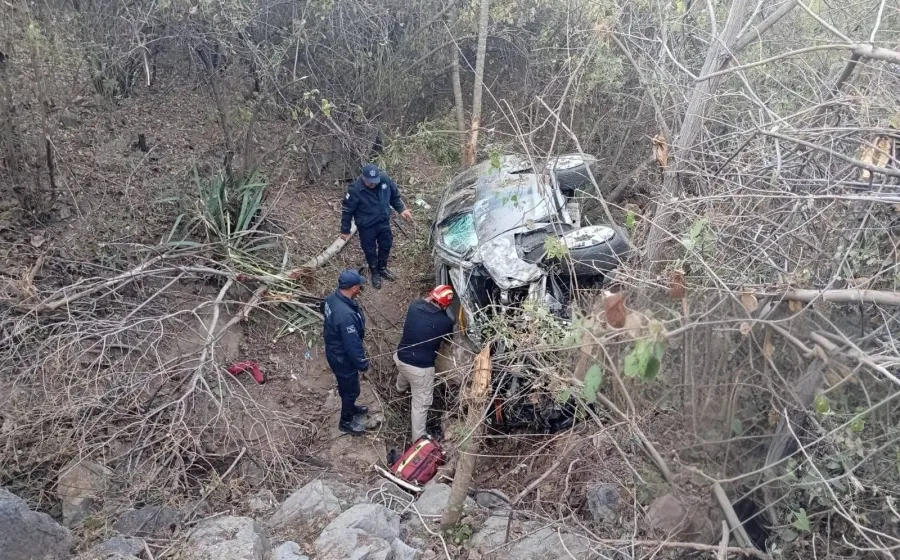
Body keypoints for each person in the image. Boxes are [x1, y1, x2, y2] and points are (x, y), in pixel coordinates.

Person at [394, 285, 456, 442]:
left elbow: (425, 302)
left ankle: (399, 389)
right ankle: (418, 439)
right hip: (420, 369)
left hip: (400, 358)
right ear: (445, 305)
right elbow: (447, 340)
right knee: (420, 405)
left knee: (405, 371)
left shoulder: (414, 307)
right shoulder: (445, 322)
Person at [340, 163, 412, 290]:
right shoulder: (355, 189)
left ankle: (382, 268)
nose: (373, 184)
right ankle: (375, 272)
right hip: (366, 226)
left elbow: (394, 196)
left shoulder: (384, 180)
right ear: (363, 177)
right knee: (370, 250)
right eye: (369, 182)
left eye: (375, 181)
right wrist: (345, 230)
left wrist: (402, 210)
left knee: (386, 244)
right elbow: (347, 211)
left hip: (383, 221)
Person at [323, 269, 370, 436]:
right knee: (351, 389)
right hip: (342, 357)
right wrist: (361, 363)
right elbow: (352, 344)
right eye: (359, 286)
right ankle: (346, 422)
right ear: (354, 287)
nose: (360, 289)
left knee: (346, 387)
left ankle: (351, 408)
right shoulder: (346, 316)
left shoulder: (331, 299)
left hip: (334, 349)